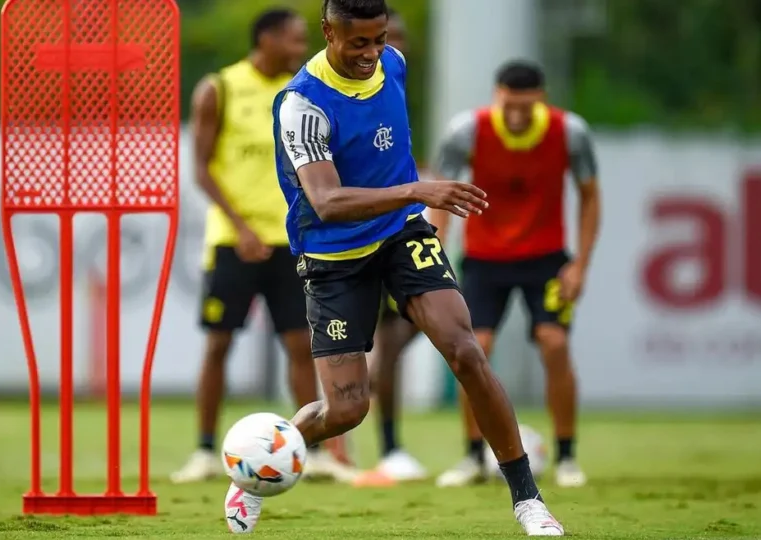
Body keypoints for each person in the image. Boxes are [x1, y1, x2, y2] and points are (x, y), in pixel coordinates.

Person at [223, 0, 564, 535]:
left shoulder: (394, 65)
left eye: (379, 39)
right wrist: (416, 188)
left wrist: (412, 201)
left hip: (402, 233)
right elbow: (328, 201)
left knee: (466, 350)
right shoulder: (302, 104)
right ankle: (253, 468)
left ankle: (528, 500)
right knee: (345, 410)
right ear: (328, 31)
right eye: (358, 42)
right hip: (333, 255)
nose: (372, 53)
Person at [172, 7, 355, 485]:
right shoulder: (221, 88)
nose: (301, 50)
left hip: (292, 243)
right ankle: (205, 451)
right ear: (267, 39)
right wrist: (242, 226)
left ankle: (308, 451)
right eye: (294, 41)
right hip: (235, 242)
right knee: (218, 343)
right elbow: (202, 169)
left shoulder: (305, 91)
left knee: (300, 344)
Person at [431, 60, 599, 489]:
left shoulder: (570, 132)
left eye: (527, 105)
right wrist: (435, 250)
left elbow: (590, 197)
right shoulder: (467, 132)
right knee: (474, 348)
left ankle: (566, 456)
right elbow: (440, 193)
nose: (519, 114)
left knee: (554, 342)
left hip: (546, 259)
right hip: (484, 259)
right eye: (511, 105)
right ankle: (472, 457)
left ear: (540, 99)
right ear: (497, 95)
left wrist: (579, 264)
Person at [351, 6, 428, 485]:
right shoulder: (335, 90)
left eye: (393, 39)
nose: (386, 49)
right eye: (381, 39)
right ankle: (382, 445)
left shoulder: (394, 82)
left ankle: (390, 445)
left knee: (400, 339)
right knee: (365, 345)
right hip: (356, 236)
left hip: (401, 231)